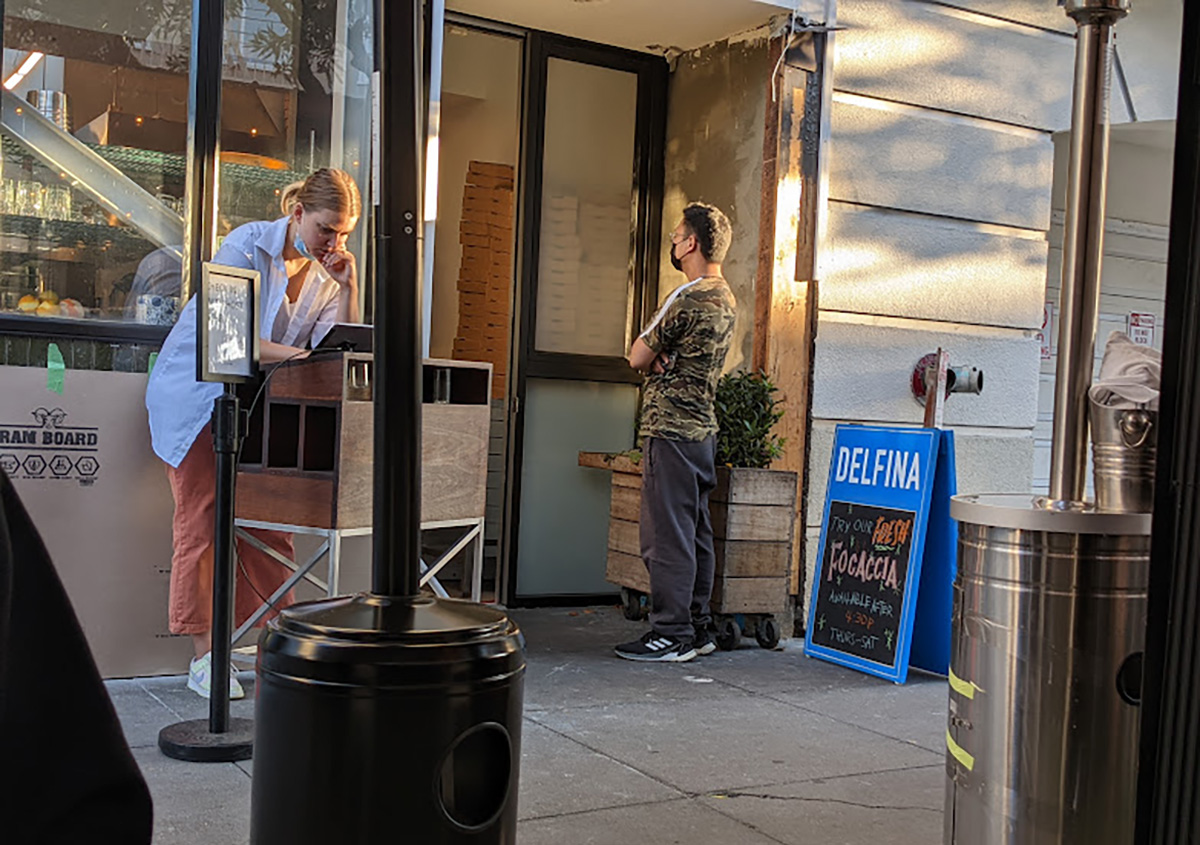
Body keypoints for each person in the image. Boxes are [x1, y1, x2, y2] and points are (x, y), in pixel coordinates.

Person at [145, 168, 362, 698]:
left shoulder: (323, 272)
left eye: (344, 234)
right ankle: (205, 658)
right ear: (296, 214)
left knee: (273, 525)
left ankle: (273, 648)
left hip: (265, 405)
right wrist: (305, 356)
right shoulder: (244, 246)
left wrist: (349, 284)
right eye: (326, 229)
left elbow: (346, 345)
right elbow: (231, 337)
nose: (333, 242)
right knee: (202, 520)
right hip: (201, 399)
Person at [616, 202, 737, 663]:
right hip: (702, 431)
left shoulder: (686, 297)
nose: (672, 240)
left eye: (676, 234)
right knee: (695, 532)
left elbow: (637, 355)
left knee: (666, 535)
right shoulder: (726, 297)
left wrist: (656, 357)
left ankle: (671, 632)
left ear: (692, 243)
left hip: (670, 432)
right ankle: (698, 627)